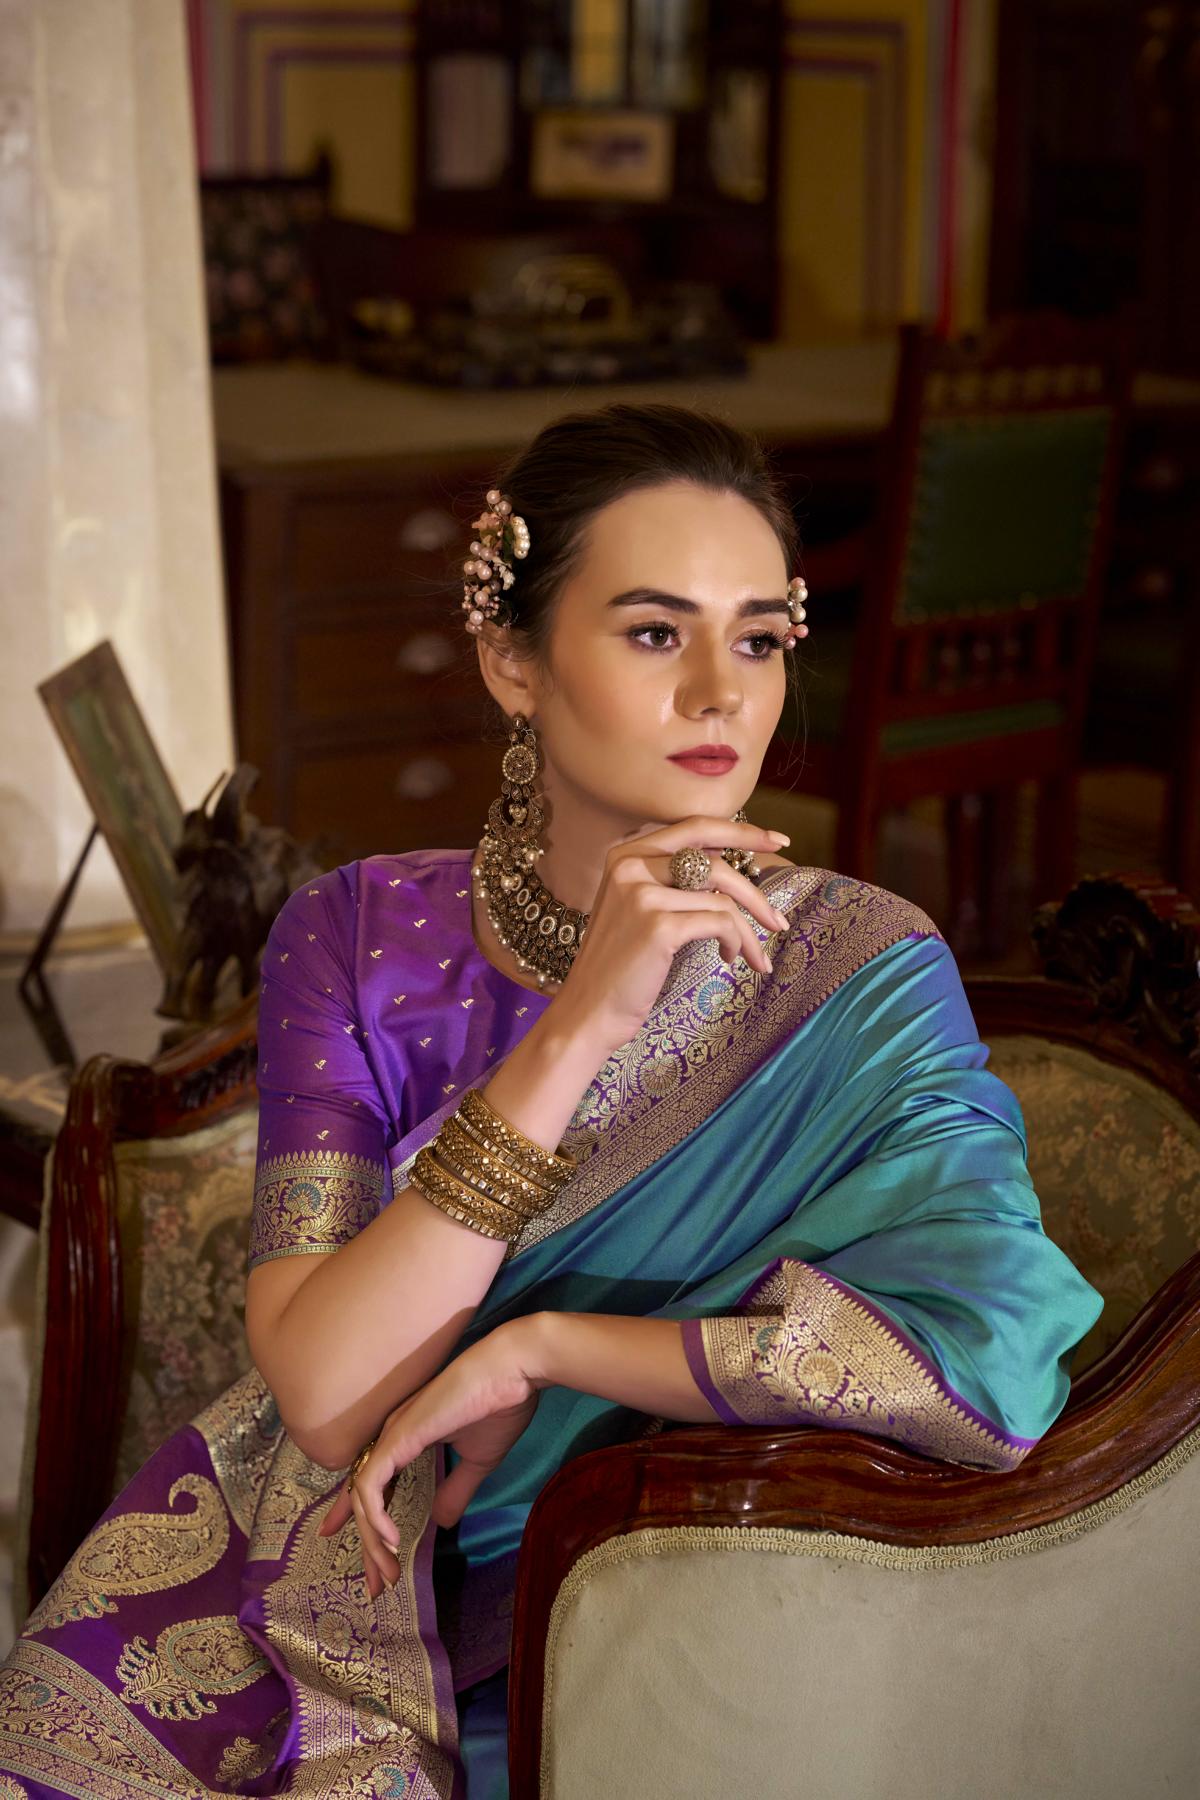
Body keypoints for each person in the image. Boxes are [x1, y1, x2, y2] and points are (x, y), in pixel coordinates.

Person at [0, 402, 1103, 1798]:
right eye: (654, 633)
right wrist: (582, 1025)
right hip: (331, 1592)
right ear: (511, 660)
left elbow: (991, 1359)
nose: (721, 692)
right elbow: (329, 1401)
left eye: (759, 638)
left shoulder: (861, 971)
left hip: (667, 1632)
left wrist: (549, 1349)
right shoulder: (354, 935)